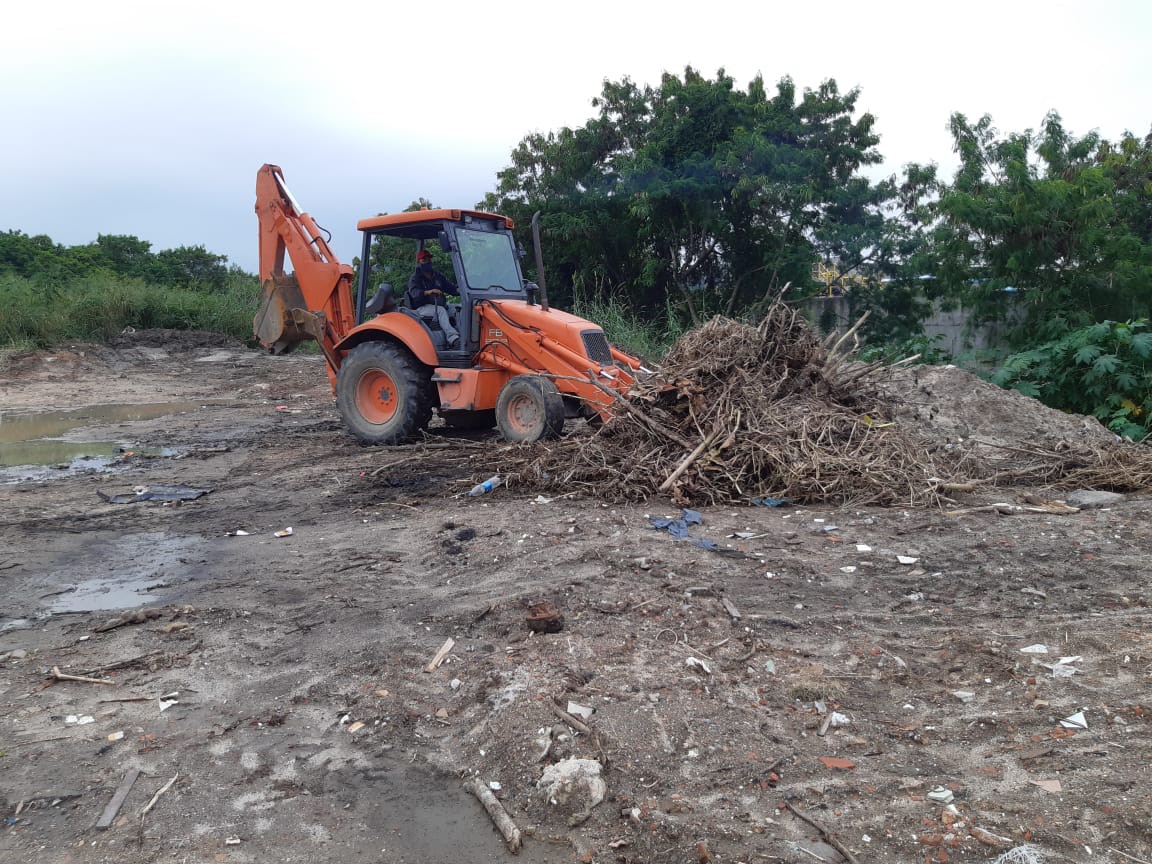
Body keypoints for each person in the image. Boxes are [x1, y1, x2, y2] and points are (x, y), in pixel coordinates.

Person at [406, 249, 460, 348]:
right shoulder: (415, 278)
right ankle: (453, 339)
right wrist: (429, 292)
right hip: (421, 308)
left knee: (459, 309)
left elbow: (451, 288)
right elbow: (414, 294)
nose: (427, 262)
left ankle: (464, 337)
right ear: (419, 262)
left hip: (439, 304)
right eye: (424, 260)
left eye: (429, 259)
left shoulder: (438, 276)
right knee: (440, 310)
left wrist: (461, 290)